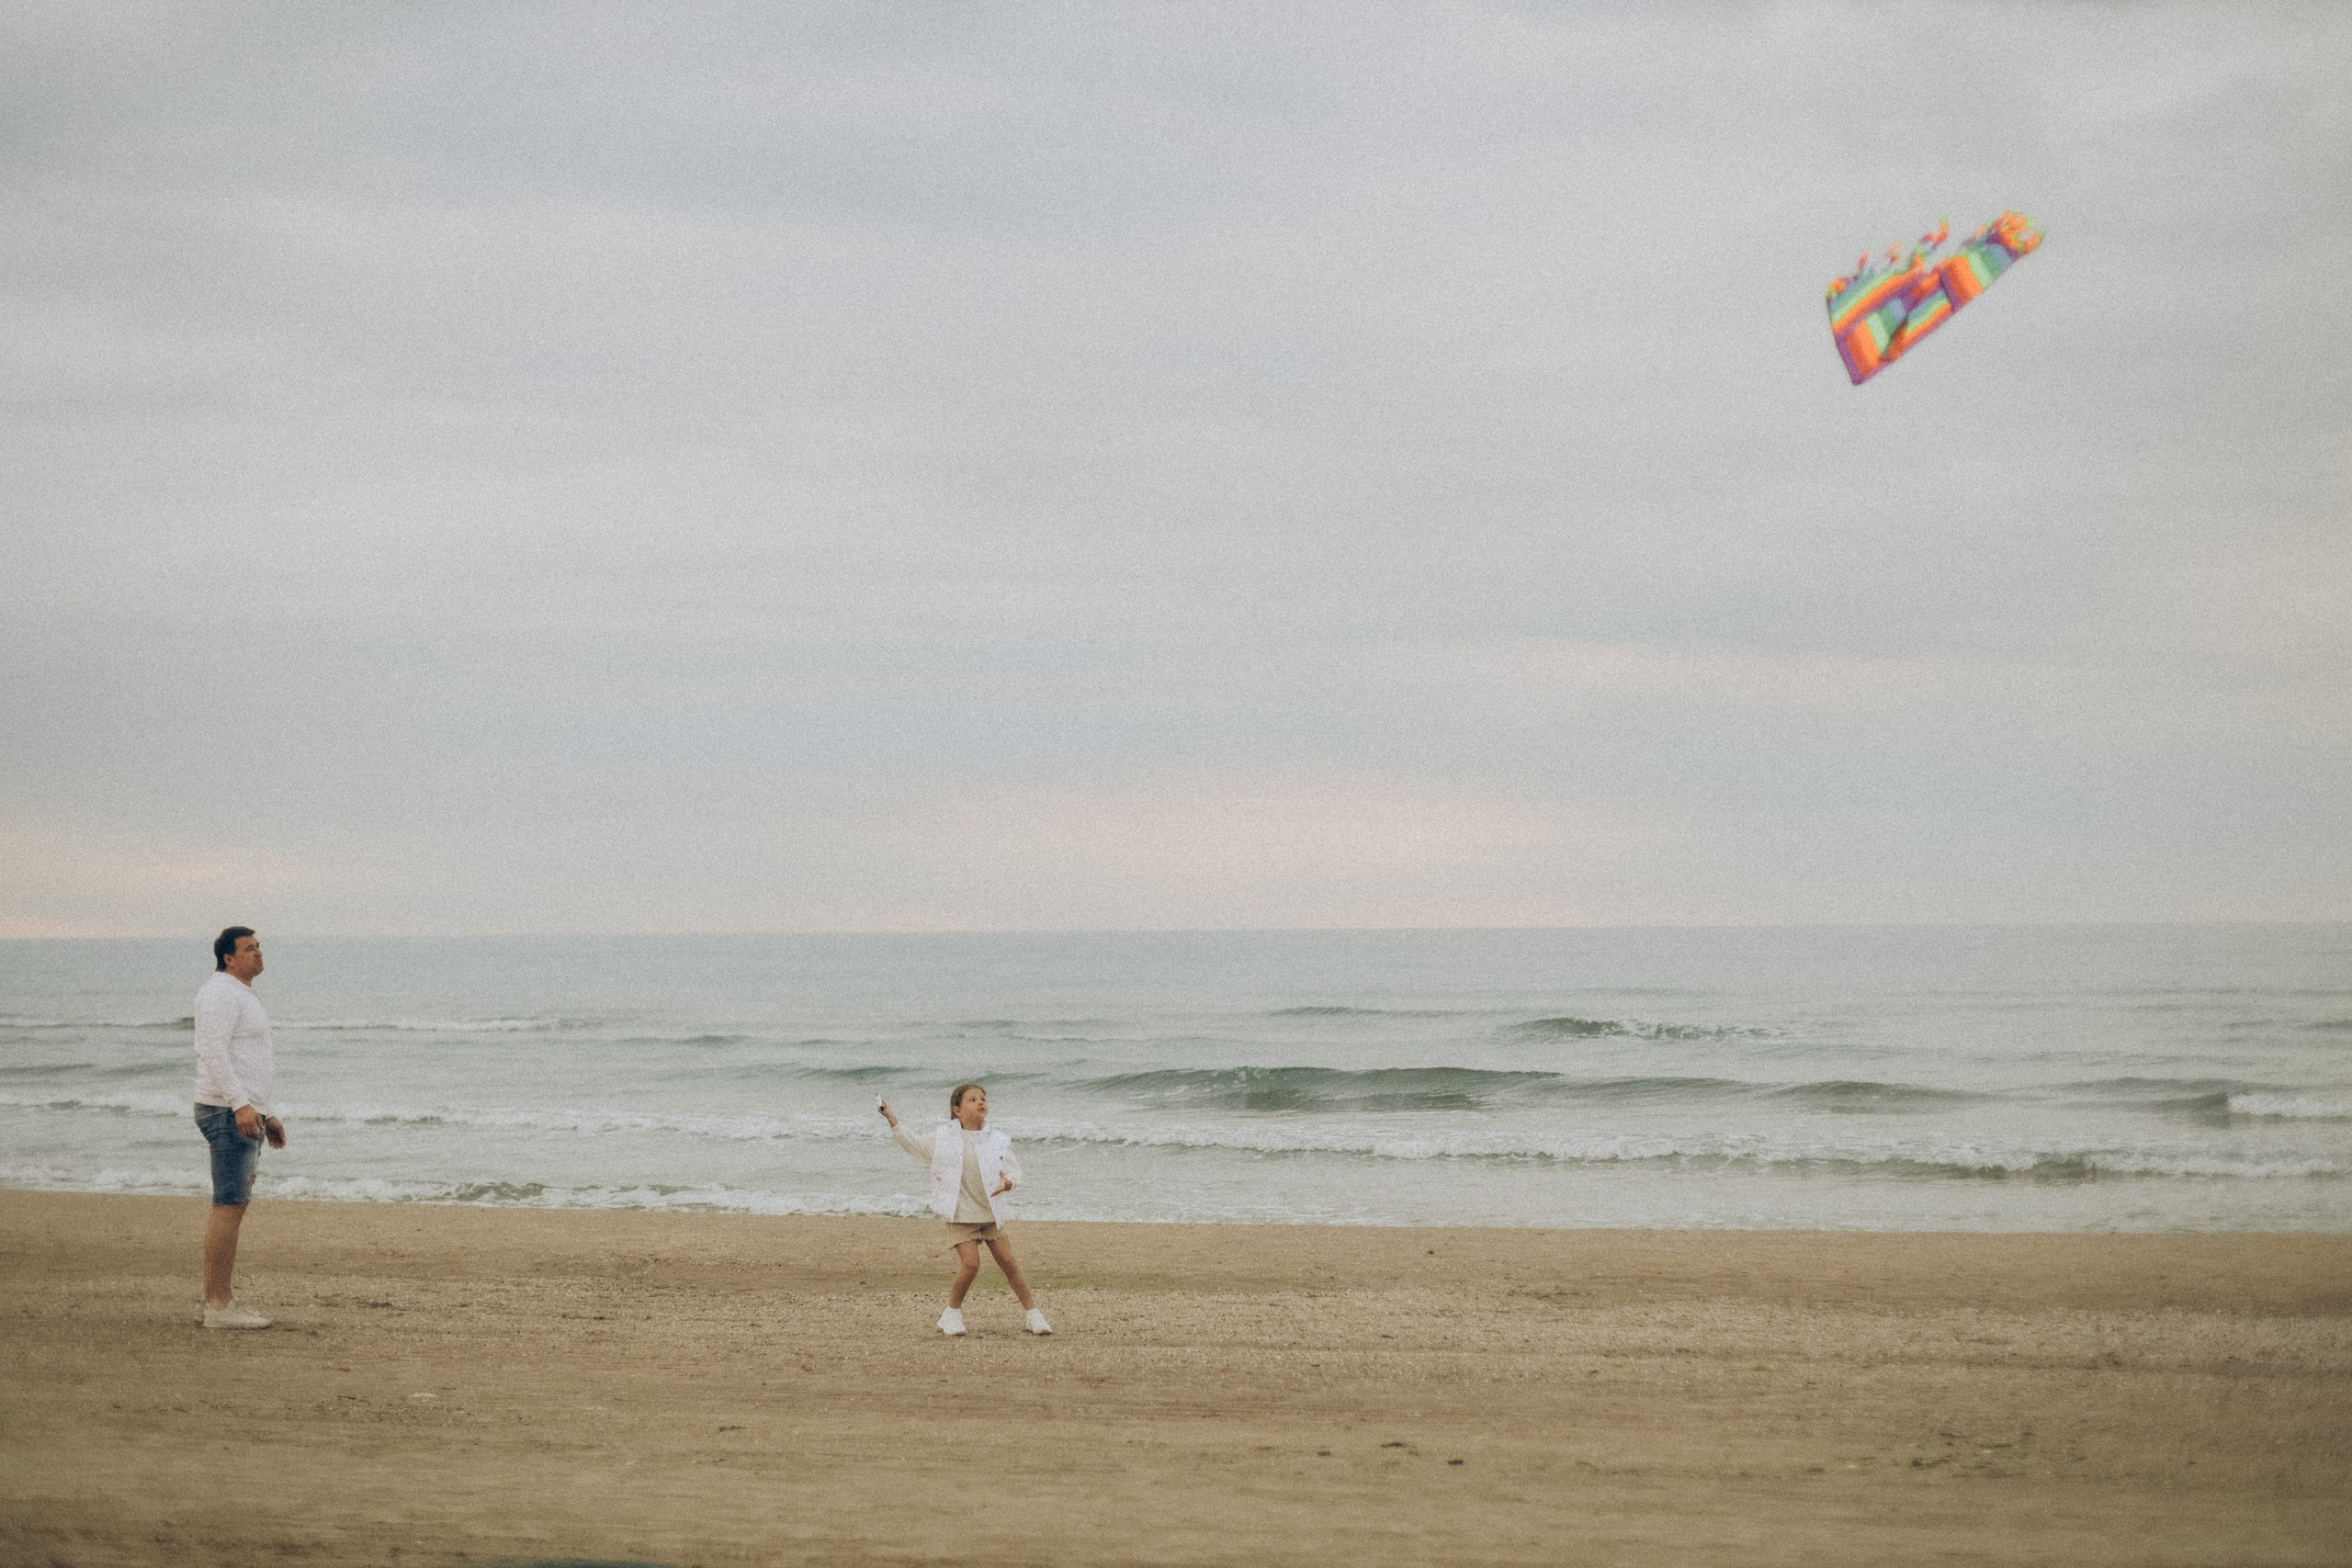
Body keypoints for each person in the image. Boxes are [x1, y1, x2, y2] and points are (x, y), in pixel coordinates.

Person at [878, 1084, 1051, 1337]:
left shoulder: (998, 1139)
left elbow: (1016, 1171)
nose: (980, 1103)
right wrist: (891, 1118)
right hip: (959, 1212)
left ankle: (1033, 1315)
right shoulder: (943, 1137)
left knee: (1009, 1263)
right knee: (971, 1265)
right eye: (972, 1100)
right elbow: (913, 1145)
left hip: (991, 1211)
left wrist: (1008, 1183)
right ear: (957, 1110)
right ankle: (951, 1314)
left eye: (983, 1099)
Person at [193, 926, 284, 1329]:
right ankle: (218, 1306)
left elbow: (250, 1059)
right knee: (228, 1205)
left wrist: (266, 1112)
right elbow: (213, 1051)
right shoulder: (219, 993)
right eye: (249, 949)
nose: (258, 953)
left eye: (259, 946)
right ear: (228, 958)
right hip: (226, 1111)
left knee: (233, 1204)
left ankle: (218, 1302)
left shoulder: (239, 994)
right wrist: (241, 1106)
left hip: (241, 1111)